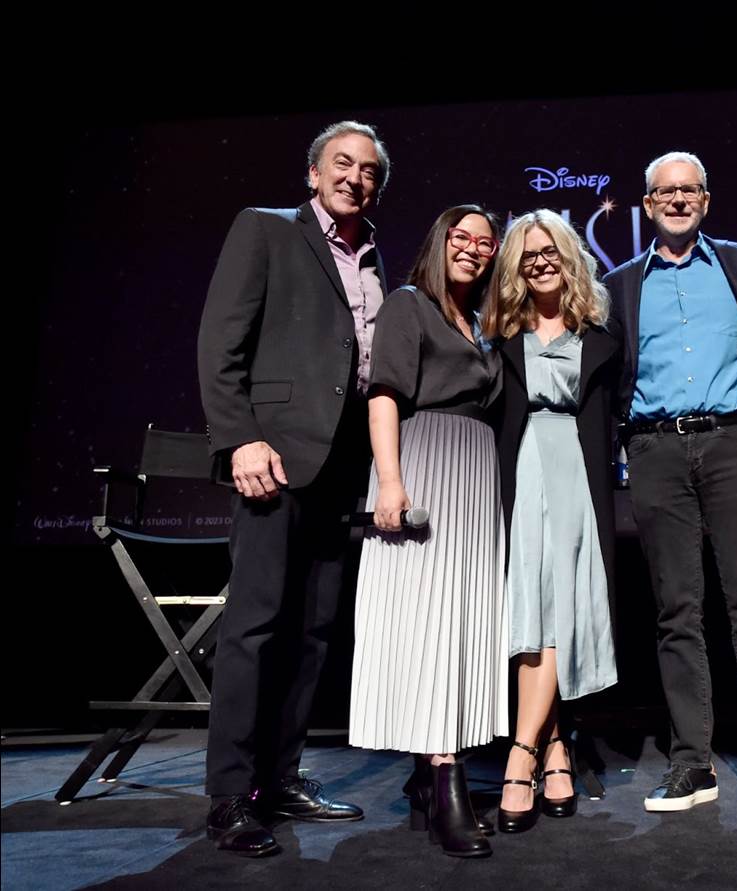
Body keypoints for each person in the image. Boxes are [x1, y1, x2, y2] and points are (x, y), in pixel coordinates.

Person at [197, 121, 388, 857]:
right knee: (253, 628)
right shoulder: (266, 229)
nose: (354, 177)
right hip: (271, 457)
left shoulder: (374, 252)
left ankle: (279, 778)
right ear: (313, 173)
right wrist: (238, 436)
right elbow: (222, 341)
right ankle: (228, 796)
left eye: (369, 170)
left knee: (311, 631)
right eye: (342, 164)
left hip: (340, 466)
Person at [602, 152, 737, 823]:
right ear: (647, 201)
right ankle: (692, 759)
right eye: (664, 191)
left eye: (688, 190)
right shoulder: (620, 283)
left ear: (707, 200)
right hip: (656, 450)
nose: (677, 199)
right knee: (677, 612)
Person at [348, 204, 507, 858]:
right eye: (461, 237)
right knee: (431, 624)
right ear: (439, 242)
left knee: (462, 623)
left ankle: (428, 771)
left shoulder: (482, 324)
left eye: (484, 242)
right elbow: (383, 392)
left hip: (476, 472)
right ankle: (447, 782)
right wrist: (390, 481)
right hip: (426, 462)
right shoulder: (409, 304)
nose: (472, 248)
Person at [484, 210, 622, 832]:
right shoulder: (499, 334)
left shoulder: (602, 331)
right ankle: (552, 745)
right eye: (527, 254)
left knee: (564, 600)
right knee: (533, 603)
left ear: (569, 257)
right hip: (521, 467)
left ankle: (524, 750)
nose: (540, 261)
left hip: (577, 471)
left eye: (551, 251)